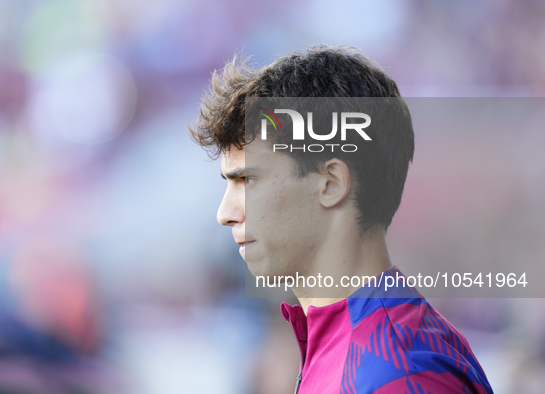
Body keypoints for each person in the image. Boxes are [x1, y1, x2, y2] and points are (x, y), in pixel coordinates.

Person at [189, 45, 493, 394]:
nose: (225, 213)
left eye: (248, 180)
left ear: (331, 184)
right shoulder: (349, 348)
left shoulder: (397, 375)